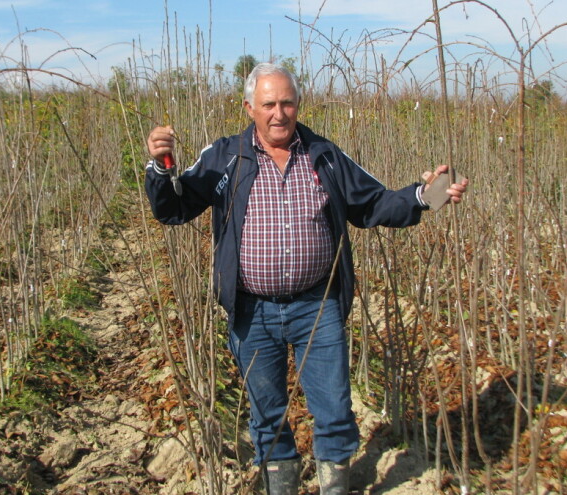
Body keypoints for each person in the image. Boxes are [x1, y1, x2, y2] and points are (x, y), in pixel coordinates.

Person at [144, 63, 467, 494]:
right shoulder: (224, 157)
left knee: (334, 408)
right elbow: (175, 207)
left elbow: (372, 203)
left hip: (318, 307)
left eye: (287, 103)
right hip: (251, 311)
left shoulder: (324, 155)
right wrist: (160, 166)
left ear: (298, 105)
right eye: (268, 104)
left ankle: (335, 485)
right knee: (267, 415)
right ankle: (281, 484)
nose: (279, 113)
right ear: (249, 108)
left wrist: (423, 196)